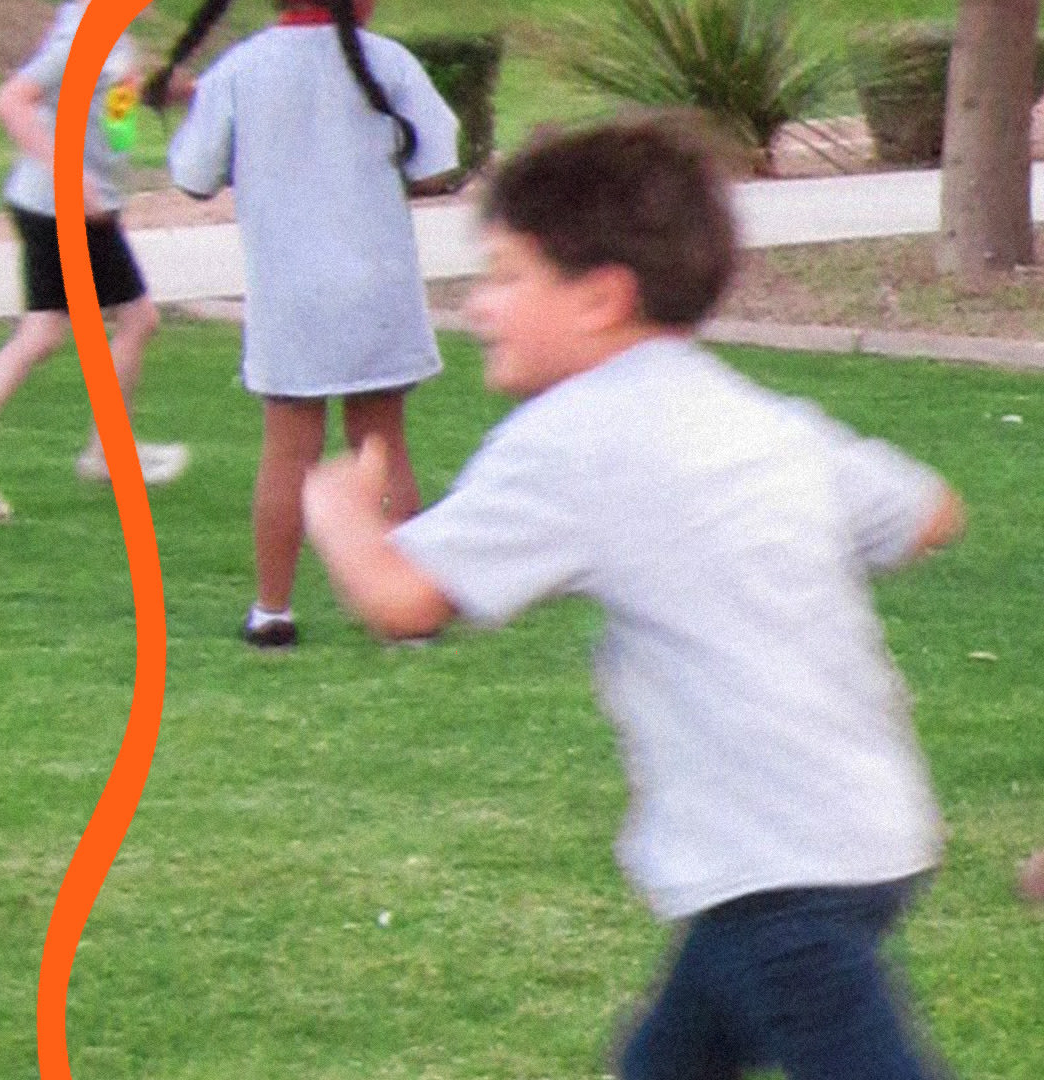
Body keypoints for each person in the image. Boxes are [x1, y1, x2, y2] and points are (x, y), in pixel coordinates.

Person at [305, 117, 966, 1079]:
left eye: (504, 276)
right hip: (864, 831)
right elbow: (928, 512)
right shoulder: (751, 416)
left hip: (775, 859)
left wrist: (339, 512)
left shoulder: (574, 437)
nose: (476, 307)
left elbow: (403, 598)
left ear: (600, 299)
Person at [154, 0, 460, 648]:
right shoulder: (388, 62)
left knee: (289, 451)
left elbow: (193, 176)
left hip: (288, 292)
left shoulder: (240, 69)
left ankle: (273, 610)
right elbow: (436, 162)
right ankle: (404, 611)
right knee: (381, 442)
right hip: (378, 284)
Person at [0, 0, 189, 523]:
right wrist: (73, 177)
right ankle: (104, 452)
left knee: (44, 334)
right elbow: (10, 102)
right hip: (63, 208)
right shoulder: (84, 36)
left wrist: (155, 93)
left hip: (57, 205)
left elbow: (108, 119)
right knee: (136, 320)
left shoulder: (113, 36)